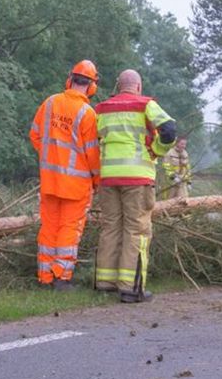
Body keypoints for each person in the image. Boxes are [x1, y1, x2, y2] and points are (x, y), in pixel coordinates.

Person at [94, 69, 177, 303]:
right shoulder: (145, 105)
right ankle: (130, 287)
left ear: (118, 86)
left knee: (110, 226)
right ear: (138, 86)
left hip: (108, 176)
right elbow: (169, 130)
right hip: (137, 177)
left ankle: (105, 282)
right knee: (136, 229)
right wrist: (157, 150)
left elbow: (93, 139)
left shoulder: (102, 109)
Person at [29, 60, 101, 290]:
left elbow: (35, 136)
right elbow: (92, 154)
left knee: (49, 227)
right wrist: (97, 180)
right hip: (76, 184)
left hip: (49, 181)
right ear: (92, 87)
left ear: (69, 79)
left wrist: (51, 158)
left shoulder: (49, 103)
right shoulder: (87, 114)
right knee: (69, 229)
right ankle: (61, 277)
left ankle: (44, 277)